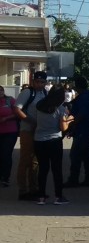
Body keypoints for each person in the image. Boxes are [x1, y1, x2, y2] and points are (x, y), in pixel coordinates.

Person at [30, 84, 70, 205]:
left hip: (39, 140)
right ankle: (58, 197)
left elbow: (36, 121)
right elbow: (62, 128)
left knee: (43, 169)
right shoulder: (60, 108)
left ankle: (41, 197)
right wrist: (70, 119)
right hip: (54, 141)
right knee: (56, 169)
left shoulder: (40, 105)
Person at [13, 70, 48, 199]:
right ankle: (22, 190)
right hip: (27, 130)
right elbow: (17, 109)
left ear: (45, 83)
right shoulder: (28, 92)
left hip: (40, 131)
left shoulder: (45, 93)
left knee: (36, 161)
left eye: (42, 82)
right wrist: (30, 121)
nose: (39, 84)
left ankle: (34, 189)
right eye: (37, 81)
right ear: (33, 81)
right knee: (25, 160)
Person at [63, 75, 89, 188]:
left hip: (83, 130)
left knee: (75, 155)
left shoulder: (84, 97)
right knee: (86, 155)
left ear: (77, 86)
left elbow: (81, 114)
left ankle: (74, 179)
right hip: (86, 130)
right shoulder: (87, 96)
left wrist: (72, 124)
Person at [0, 85, 19, 187]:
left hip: (10, 131)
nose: (0, 92)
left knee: (6, 154)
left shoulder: (10, 100)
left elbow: (18, 113)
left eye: (1, 90)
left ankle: (5, 177)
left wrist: (6, 118)